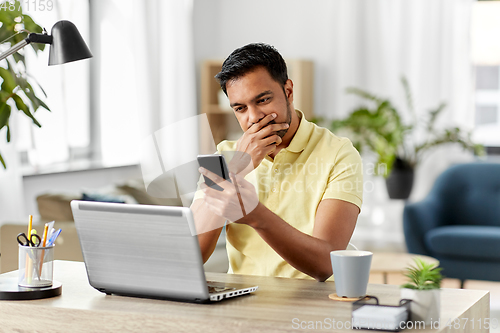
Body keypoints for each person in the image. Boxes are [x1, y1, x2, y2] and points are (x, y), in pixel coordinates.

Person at [191, 43, 362, 282]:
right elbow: (192, 255)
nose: (253, 117)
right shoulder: (225, 154)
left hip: (312, 303)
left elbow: (326, 263)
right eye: (240, 108)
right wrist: (235, 168)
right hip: (241, 303)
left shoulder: (339, 154)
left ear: (288, 91)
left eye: (262, 100)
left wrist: (255, 214)